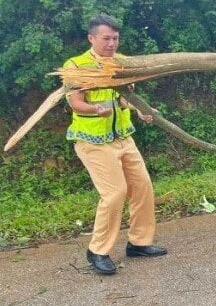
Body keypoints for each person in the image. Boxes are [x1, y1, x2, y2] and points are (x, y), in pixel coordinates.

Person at [64, 14, 167, 275]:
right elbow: (75, 103)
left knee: (142, 187)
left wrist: (142, 110)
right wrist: (94, 109)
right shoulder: (76, 65)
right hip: (93, 142)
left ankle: (139, 243)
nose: (111, 43)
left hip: (123, 137)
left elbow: (125, 99)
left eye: (115, 38)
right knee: (114, 193)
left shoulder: (121, 63)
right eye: (106, 38)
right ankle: (97, 251)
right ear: (92, 38)